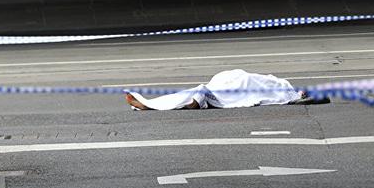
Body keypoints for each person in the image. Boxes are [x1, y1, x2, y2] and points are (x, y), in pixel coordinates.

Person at [125, 69, 330, 110]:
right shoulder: (285, 88)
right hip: (235, 79)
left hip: (238, 83)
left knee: (212, 89)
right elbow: (262, 82)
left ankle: (150, 104)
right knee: (235, 82)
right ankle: (197, 98)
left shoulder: (288, 92)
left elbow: (261, 90)